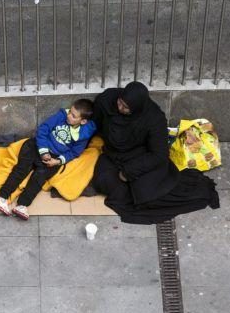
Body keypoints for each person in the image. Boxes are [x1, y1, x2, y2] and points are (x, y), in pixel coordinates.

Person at [91, 81, 219, 224]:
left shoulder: (154, 118)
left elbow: (159, 155)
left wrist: (129, 171)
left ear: (136, 108)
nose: (120, 108)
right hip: (113, 154)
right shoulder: (107, 100)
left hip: (140, 155)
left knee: (147, 195)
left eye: (126, 107)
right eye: (120, 102)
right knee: (102, 181)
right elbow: (94, 125)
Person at [0, 98, 97, 220]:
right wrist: (43, 150)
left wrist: (57, 161)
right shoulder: (61, 116)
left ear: (83, 121)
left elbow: (74, 153)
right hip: (37, 146)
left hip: (53, 158)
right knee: (21, 169)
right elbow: (43, 130)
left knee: (38, 179)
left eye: (73, 116)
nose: (69, 116)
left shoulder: (83, 135)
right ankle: (2, 197)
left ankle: (22, 205)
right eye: (70, 112)